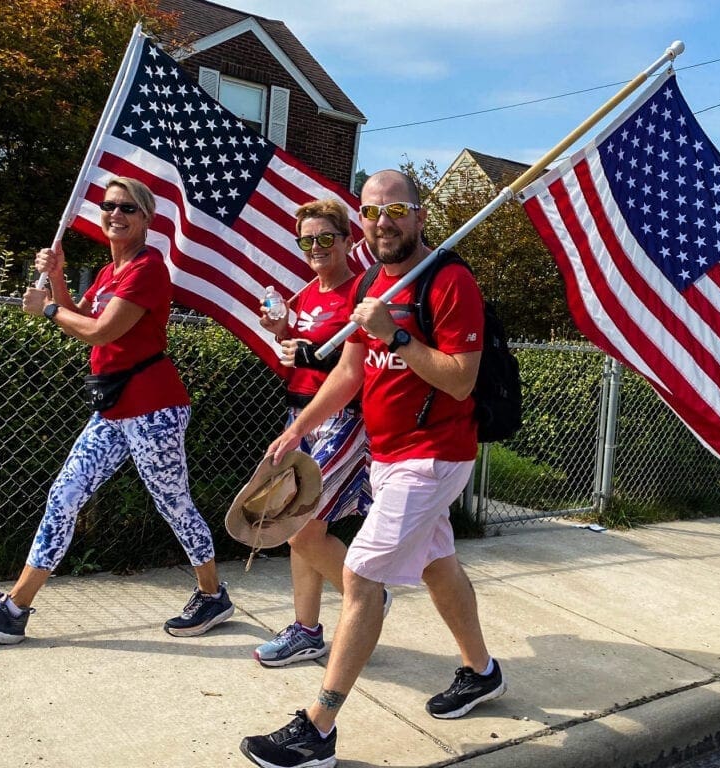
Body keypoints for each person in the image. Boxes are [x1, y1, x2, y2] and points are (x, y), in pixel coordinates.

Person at [240, 170, 505, 768]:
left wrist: (399, 336)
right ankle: (482, 671)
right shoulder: (368, 280)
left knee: (360, 577)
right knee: (439, 565)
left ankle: (318, 730)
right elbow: (350, 373)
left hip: (434, 457)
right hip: (388, 456)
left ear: (419, 216)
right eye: (371, 211)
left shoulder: (448, 280)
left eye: (396, 210)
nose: (382, 222)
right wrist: (299, 426)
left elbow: (460, 380)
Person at [0, 176, 233, 644]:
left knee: (173, 504)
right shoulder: (108, 271)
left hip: (154, 407)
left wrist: (48, 310)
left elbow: (101, 333)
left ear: (146, 219)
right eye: (108, 204)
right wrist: (57, 277)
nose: (115, 212)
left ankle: (212, 594)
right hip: (113, 408)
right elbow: (83, 316)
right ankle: (14, 609)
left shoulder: (148, 268)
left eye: (127, 208)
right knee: (65, 495)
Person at [253, 198, 380, 667]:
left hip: (343, 419)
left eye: (326, 237)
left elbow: (358, 365)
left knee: (298, 525)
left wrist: (307, 353)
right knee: (302, 527)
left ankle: (365, 597)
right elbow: (298, 353)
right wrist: (279, 328)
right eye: (307, 240)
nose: (316, 247)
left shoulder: (359, 293)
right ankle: (306, 630)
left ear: (348, 241)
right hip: (299, 415)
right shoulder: (305, 294)